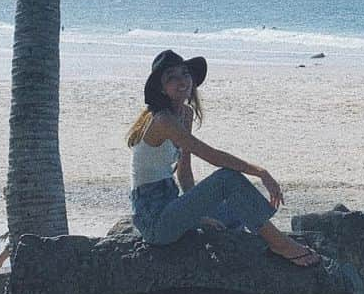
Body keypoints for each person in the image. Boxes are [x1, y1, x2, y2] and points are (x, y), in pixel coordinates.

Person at [126, 49, 320, 267]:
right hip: (154, 221)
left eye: (185, 74)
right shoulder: (162, 121)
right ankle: (280, 245)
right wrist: (261, 172)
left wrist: (197, 216)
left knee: (237, 210)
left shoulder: (185, 114)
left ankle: (248, 260)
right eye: (172, 77)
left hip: (172, 206)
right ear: (161, 88)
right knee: (227, 179)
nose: (182, 81)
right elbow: (212, 156)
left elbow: (185, 172)